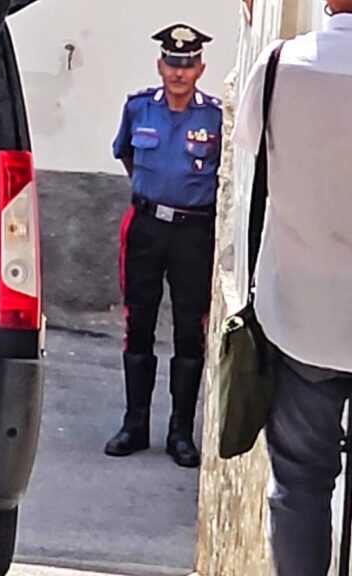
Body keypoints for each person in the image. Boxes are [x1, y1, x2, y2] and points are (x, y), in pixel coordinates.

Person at [233, 3, 352, 574]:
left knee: (301, 483)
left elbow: (249, 153)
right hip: (306, 320)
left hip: (303, 320)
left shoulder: (280, 67)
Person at [105, 24, 223, 468]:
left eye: (187, 65)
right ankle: (134, 424)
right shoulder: (139, 108)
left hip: (194, 232)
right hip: (147, 227)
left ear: (200, 69)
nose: (178, 73)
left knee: (190, 329)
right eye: (172, 63)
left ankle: (180, 432)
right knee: (138, 322)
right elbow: (126, 155)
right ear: (160, 66)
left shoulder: (215, 117)